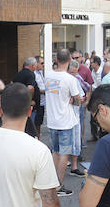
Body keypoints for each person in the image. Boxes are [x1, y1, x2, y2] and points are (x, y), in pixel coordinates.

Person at [45, 49, 83, 196]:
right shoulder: (70, 79)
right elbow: (78, 100)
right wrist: (74, 99)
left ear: (56, 59)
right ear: (69, 60)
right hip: (65, 121)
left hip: (52, 120)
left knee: (55, 152)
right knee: (64, 154)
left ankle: (51, 182)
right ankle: (58, 186)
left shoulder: (48, 75)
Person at [68, 59, 90, 176]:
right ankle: (73, 166)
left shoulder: (53, 79)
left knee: (64, 144)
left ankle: (71, 165)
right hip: (72, 116)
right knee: (74, 140)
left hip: (61, 118)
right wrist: (77, 100)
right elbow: (80, 98)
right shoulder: (74, 79)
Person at [14, 57, 40, 122]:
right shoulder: (31, 74)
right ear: (32, 65)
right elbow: (30, 88)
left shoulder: (18, 73)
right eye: (36, 65)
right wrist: (29, 101)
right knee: (29, 124)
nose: (36, 67)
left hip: (19, 103)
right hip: (27, 106)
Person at [34, 55, 47, 128]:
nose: (43, 65)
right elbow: (35, 89)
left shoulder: (40, 73)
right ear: (36, 64)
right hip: (37, 103)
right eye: (42, 63)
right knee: (36, 124)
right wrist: (45, 91)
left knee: (39, 124)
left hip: (42, 102)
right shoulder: (34, 74)